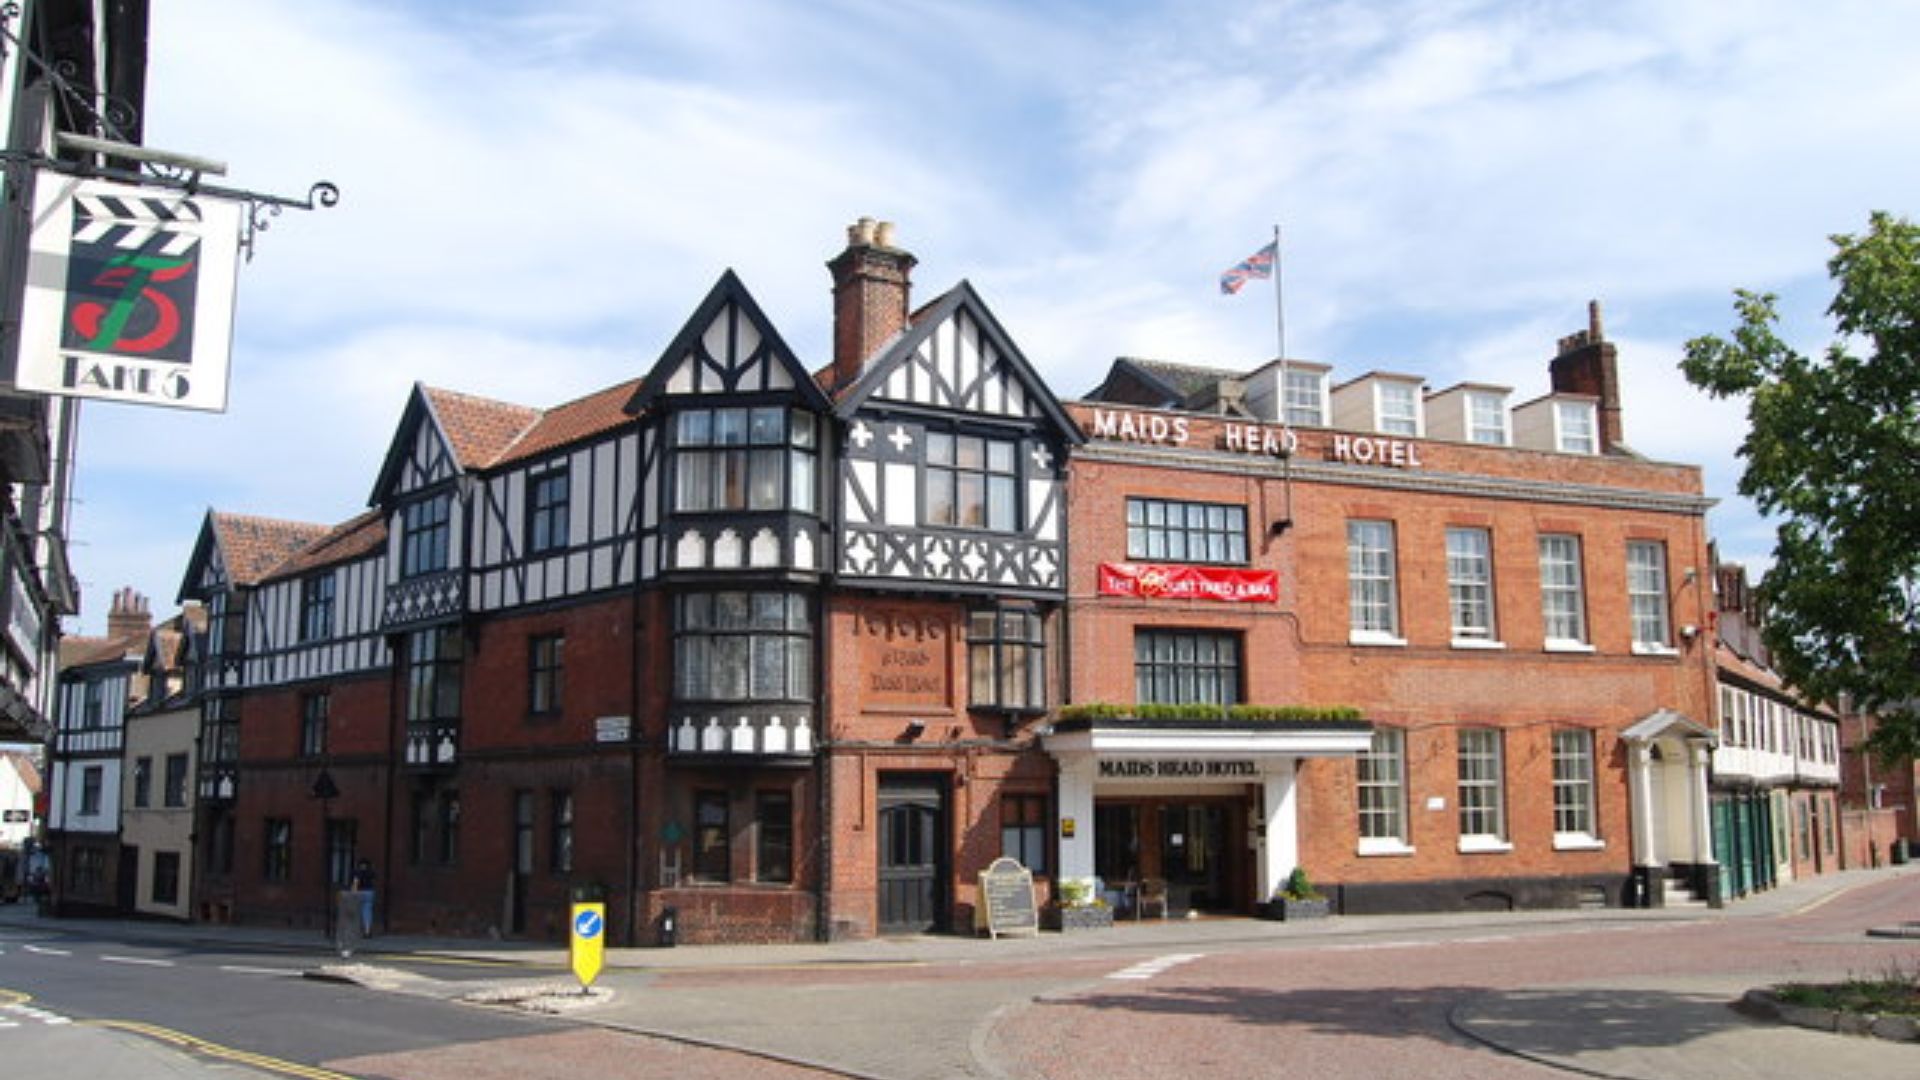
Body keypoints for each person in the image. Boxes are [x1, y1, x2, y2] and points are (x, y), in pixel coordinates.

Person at [350, 858, 376, 936]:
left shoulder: (357, 872)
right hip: (369, 892)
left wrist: (353, 892)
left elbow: (355, 882)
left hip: (360, 892)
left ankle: (355, 930)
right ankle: (367, 931)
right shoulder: (371, 872)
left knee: (356, 911)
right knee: (367, 912)